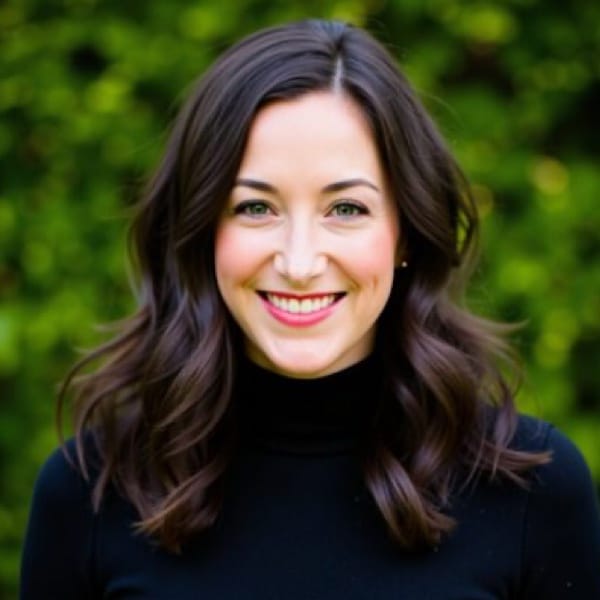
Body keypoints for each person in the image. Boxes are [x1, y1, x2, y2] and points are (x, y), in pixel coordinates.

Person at [21, 19, 600, 599]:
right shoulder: (90, 493)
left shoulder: (531, 494)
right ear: (201, 229)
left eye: (346, 209)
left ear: (405, 233)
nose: (299, 262)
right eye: (255, 207)